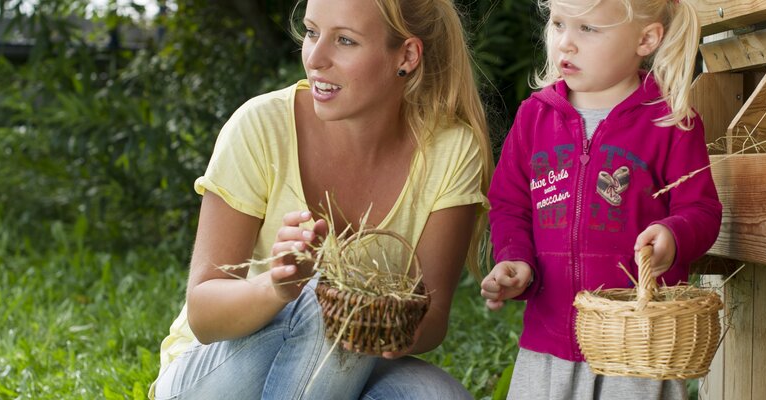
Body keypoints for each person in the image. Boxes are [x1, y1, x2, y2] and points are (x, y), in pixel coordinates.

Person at [151, 0, 491, 398]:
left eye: (345, 40)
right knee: (322, 301)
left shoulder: (450, 149)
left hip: (344, 366)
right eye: (312, 32)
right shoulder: (261, 126)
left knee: (436, 395)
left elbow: (432, 318)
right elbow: (204, 314)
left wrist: (383, 322)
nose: (315, 57)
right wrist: (278, 287)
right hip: (215, 370)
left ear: (407, 55)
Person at [480, 0, 721, 398]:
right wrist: (514, 257)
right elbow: (510, 203)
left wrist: (673, 234)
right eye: (559, 24)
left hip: (637, 347)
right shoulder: (534, 118)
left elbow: (701, 209)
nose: (566, 44)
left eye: (588, 29)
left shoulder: (670, 121)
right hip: (549, 343)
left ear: (645, 39)